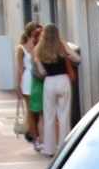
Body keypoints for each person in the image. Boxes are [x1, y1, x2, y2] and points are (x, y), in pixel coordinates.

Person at [33, 24, 76, 155]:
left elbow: (41, 71)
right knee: (64, 116)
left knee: (49, 116)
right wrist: (68, 58)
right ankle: (64, 148)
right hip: (63, 80)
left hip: (49, 82)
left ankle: (49, 149)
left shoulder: (39, 48)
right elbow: (77, 58)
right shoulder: (62, 45)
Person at [20, 20, 44, 142]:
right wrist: (17, 86)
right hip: (28, 80)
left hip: (38, 79)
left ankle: (40, 135)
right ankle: (34, 136)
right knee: (31, 110)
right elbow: (19, 68)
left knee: (39, 110)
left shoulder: (40, 45)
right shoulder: (22, 48)